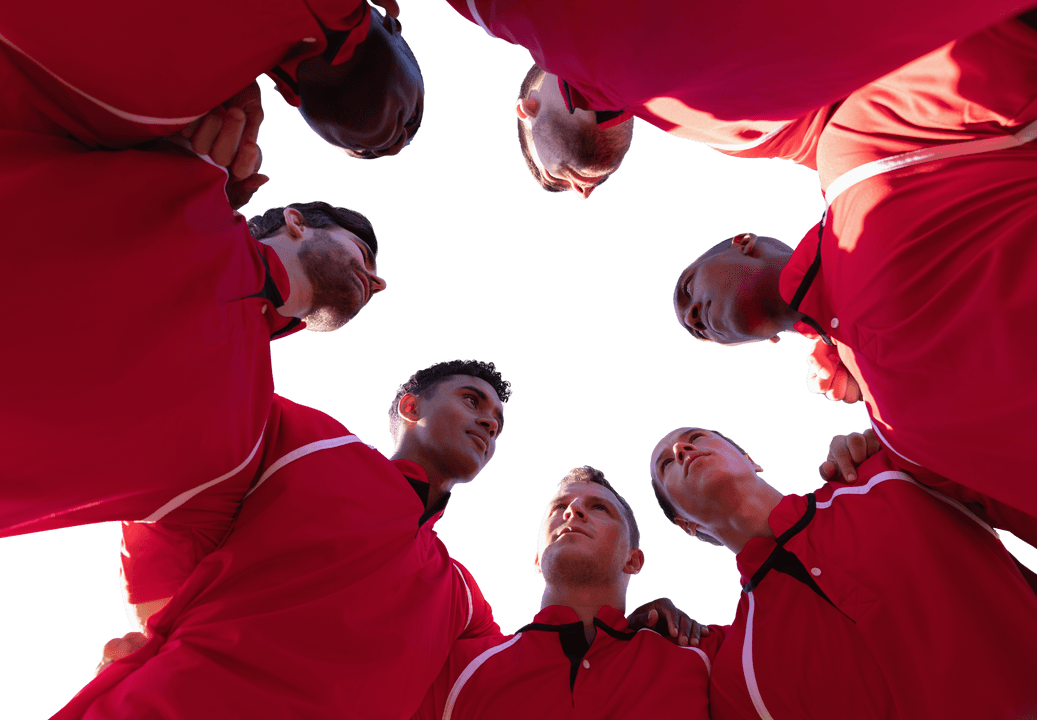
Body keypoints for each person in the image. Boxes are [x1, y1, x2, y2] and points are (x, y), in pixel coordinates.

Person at [670, 15, 1037, 541]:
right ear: (764, 341)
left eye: (687, 288)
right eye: (698, 332)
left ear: (743, 241)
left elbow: (1009, 39)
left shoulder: (860, 154)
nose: (691, 316)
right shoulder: (898, 441)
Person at [56, 360, 512, 720]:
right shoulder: (312, 444)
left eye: (497, 421)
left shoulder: (461, 596)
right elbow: (172, 468)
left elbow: (511, 679)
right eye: (472, 400)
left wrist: (555, 574)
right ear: (410, 408)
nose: (489, 423)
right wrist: (160, 626)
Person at [0, 188, 386, 544]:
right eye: (363, 253)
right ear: (296, 221)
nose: (378, 282)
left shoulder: (248, 437)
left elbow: (180, 573)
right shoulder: (183, 197)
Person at [444, 0, 1035, 197]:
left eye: (550, 175)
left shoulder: (549, 20)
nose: (579, 189)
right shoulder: (748, 141)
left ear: (526, 107)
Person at [649, 426, 1037, 720]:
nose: (682, 450)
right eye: (667, 463)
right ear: (685, 523)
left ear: (750, 459)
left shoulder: (889, 472)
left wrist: (898, 435)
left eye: (695, 437)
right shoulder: (741, 676)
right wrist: (646, 624)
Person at [414, 465, 722, 720]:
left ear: (634, 560)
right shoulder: (455, 671)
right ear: (537, 558)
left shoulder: (702, 653)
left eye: (599, 507)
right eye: (559, 507)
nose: (573, 510)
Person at [0, 0, 423, 158]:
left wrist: (183, 182)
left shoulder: (158, 119)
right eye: (415, 115)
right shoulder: (149, 114)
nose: (395, 140)